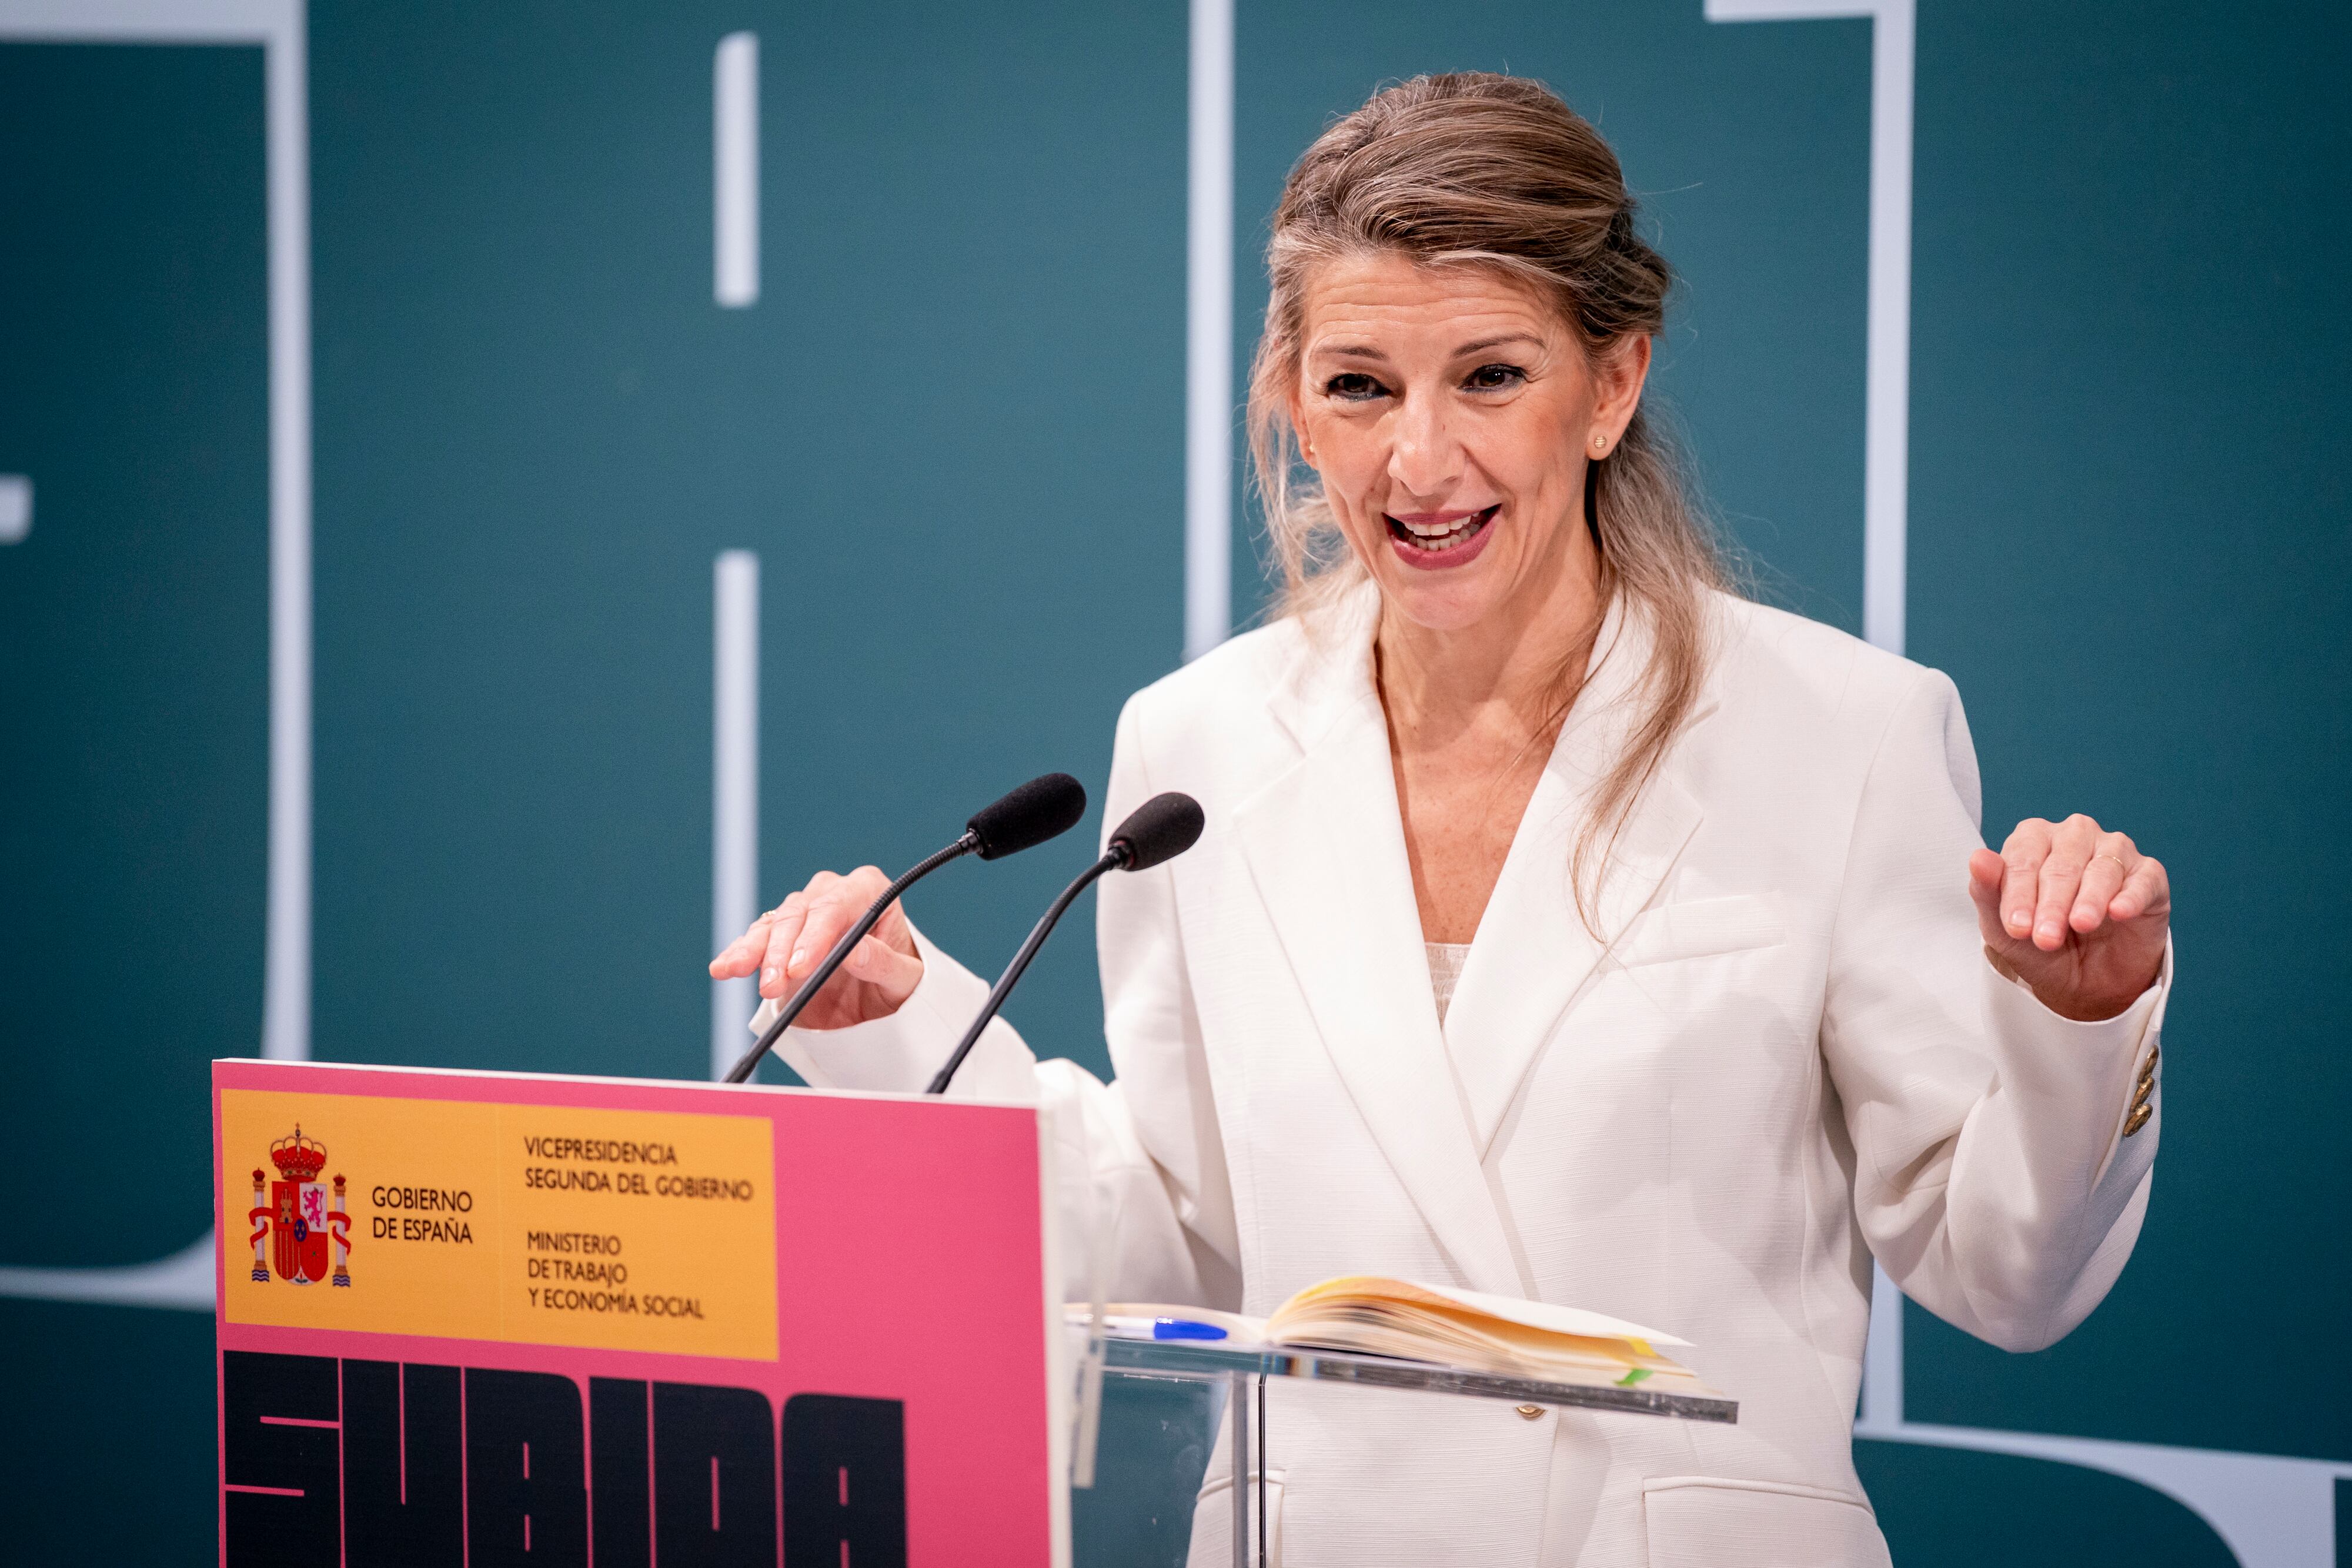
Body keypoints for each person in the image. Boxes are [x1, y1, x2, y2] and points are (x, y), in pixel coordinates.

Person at [711, 73, 2171, 1567]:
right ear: (1293, 401)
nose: (1418, 461)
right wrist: (897, 1022)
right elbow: (1174, 1243)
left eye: (1487, 376)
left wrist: (2077, 1022)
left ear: (1609, 386)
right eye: (1358, 386)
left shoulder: (1839, 731)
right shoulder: (1197, 743)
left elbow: (2008, 1276)